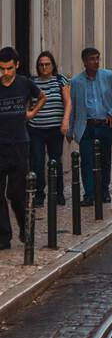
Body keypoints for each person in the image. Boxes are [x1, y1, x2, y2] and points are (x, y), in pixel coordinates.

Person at [0, 47, 45, 249]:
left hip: (19, 144)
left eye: (9, 68)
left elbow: (41, 96)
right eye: (2, 69)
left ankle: (24, 227)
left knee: (16, 193)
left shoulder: (25, 83)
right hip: (0, 146)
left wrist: (32, 113)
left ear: (17, 65)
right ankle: (3, 236)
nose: (6, 73)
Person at [69, 48, 112, 207]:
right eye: (92, 59)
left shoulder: (107, 76)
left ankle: (104, 191)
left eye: (97, 58)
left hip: (104, 124)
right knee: (86, 161)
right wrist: (70, 129)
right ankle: (90, 194)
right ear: (85, 62)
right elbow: (72, 106)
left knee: (105, 160)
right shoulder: (77, 82)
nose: (96, 61)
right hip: (86, 126)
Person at [28, 51, 71, 207]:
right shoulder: (32, 82)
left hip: (55, 129)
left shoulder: (60, 80)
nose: (44, 67)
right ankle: (40, 195)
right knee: (38, 162)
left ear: (53, 65)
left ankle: (58, 192)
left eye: (47, 64)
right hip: (36, 129)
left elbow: (68, 102)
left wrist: (65, 121)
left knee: (55, 161)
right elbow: (27, 103)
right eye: (41, 65)